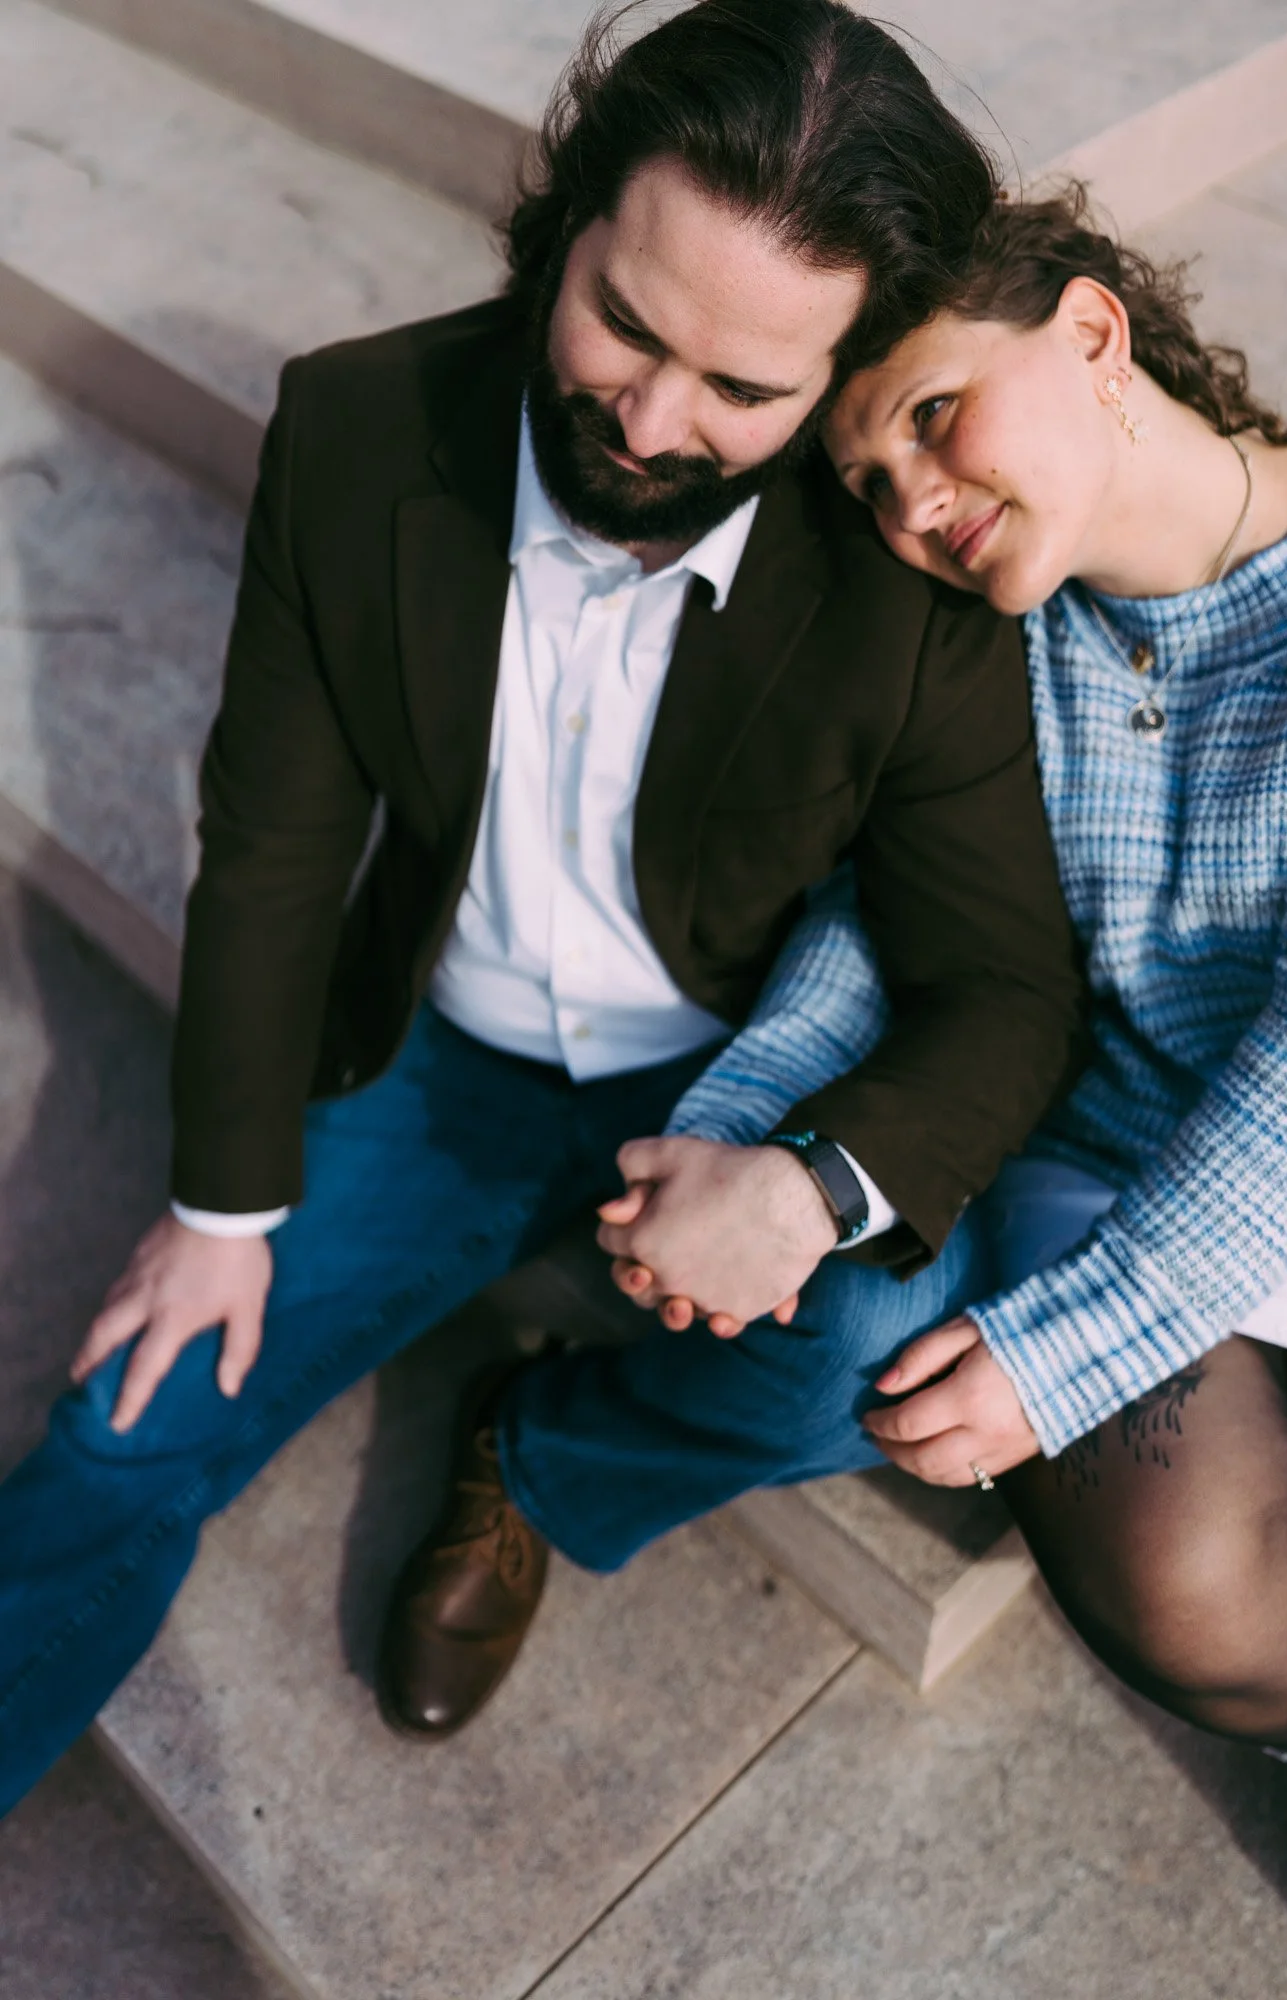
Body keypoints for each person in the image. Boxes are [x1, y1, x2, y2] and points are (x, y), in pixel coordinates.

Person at [0, 0, 1084, 1812]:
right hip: (431, 1060)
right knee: (118, 1436)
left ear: (840, 385)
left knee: (866, 1359)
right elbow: (269, 842)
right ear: (563, 219)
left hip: (727, 1086)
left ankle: (545, 1456)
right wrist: (220, 1202)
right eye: (624, 323)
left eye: (745, 392)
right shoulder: (360, 428)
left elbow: (1004, 988)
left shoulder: (906, 577)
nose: (654, 421)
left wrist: (808, 1185)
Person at [639, 185, 1287, 1779]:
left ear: (1094, 333)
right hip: (1109, 1137)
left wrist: (1068, 1350)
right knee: (1193, 1594)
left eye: (937, 416)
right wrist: (752, 1129)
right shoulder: (991, 621)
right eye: (872, 477)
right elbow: (890, 917)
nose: (913, 505)